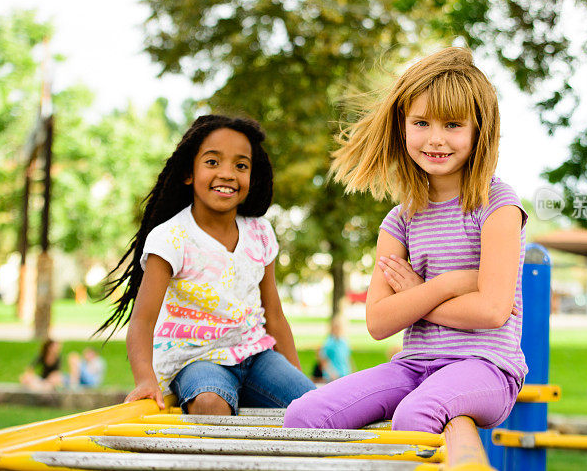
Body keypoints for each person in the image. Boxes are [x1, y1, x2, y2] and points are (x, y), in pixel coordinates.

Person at [284, 47, 528, 434]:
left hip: (486, 368)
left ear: (479, 129)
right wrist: (447, 285)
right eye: (421, 123)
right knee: (303, 416)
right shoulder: (400, 220)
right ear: (403, 126)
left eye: (452, 125)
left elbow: (492, 311)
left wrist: (414, 297)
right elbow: (379, 321)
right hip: (413, 366)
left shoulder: (497, 206)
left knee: (414, 416)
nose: (435, 139)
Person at [96, 115, 315, 415]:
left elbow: (275, 315)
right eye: (213, 162)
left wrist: (300, 387)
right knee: (211, 404)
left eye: (241, 166)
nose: (227, 174)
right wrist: (146, 379)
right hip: (197, 360)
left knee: (314, 408)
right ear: (189, 172)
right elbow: (143, 321)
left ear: (253, 176)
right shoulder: (172, 238)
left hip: (257, 355)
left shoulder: (260, 232)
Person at [311, 316, 353, 383]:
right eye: (336, 327)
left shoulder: (343, 342)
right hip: (333, 378)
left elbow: (348, 358)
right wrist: (332, 374)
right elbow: (323, 360)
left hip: (344, 374)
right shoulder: (329, 343)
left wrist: (352, 373)